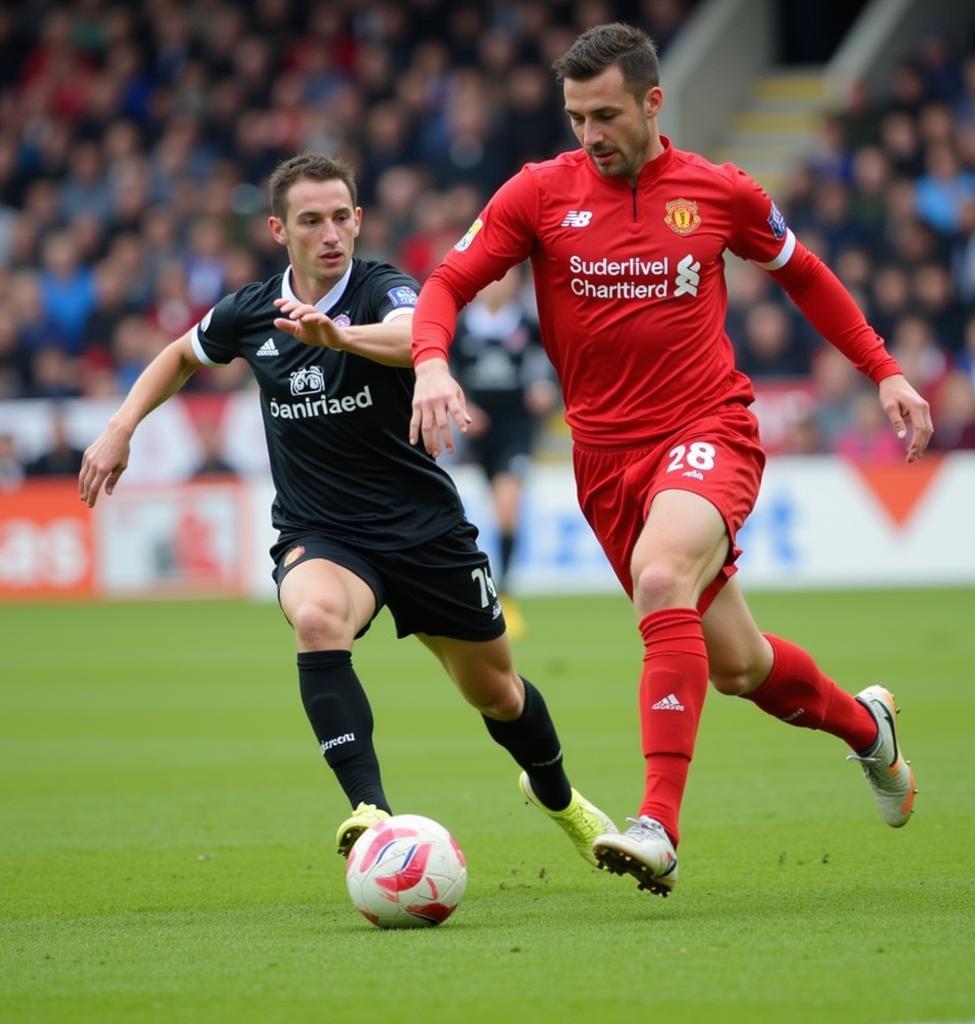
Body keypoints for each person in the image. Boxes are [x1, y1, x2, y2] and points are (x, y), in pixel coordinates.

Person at [409, 24, 932, 898]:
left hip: (707, 429)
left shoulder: (718, 191)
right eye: (576, 117)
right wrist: (430, 358)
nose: (589, 135)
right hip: (605, 463)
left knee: (660, 581)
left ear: (653, 102)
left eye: (605, 114)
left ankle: (658, 824)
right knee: (739, 667)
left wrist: (884, 369)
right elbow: (449, 283)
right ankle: (867, 727)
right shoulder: (539, 194)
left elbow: (804, 273)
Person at [79, 152, 614, 869]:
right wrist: (121, 426)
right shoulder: (252, 310)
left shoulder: (381, 289)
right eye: (311, 221)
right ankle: (372, 812)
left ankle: (560, 799)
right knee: (314, 617)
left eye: (341, 217)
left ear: (358, 220)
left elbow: (418, 333)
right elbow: (180, 353)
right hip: (323, 533)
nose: (330, 233)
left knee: (498, 693)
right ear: (279, 229)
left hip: (424, 532)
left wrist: (339, 337)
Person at [448, 264, 559, 638]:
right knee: (481, 512)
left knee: (508, 503)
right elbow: (446, 371)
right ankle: (475, 590)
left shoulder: (527, 324)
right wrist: (463, 405)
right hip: (478, 431)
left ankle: (505, 595)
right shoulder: (463, 329)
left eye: (509, 276)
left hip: (516, 427)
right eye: (496, 276)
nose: (501, 283)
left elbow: (555, 363)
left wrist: (546, 388)